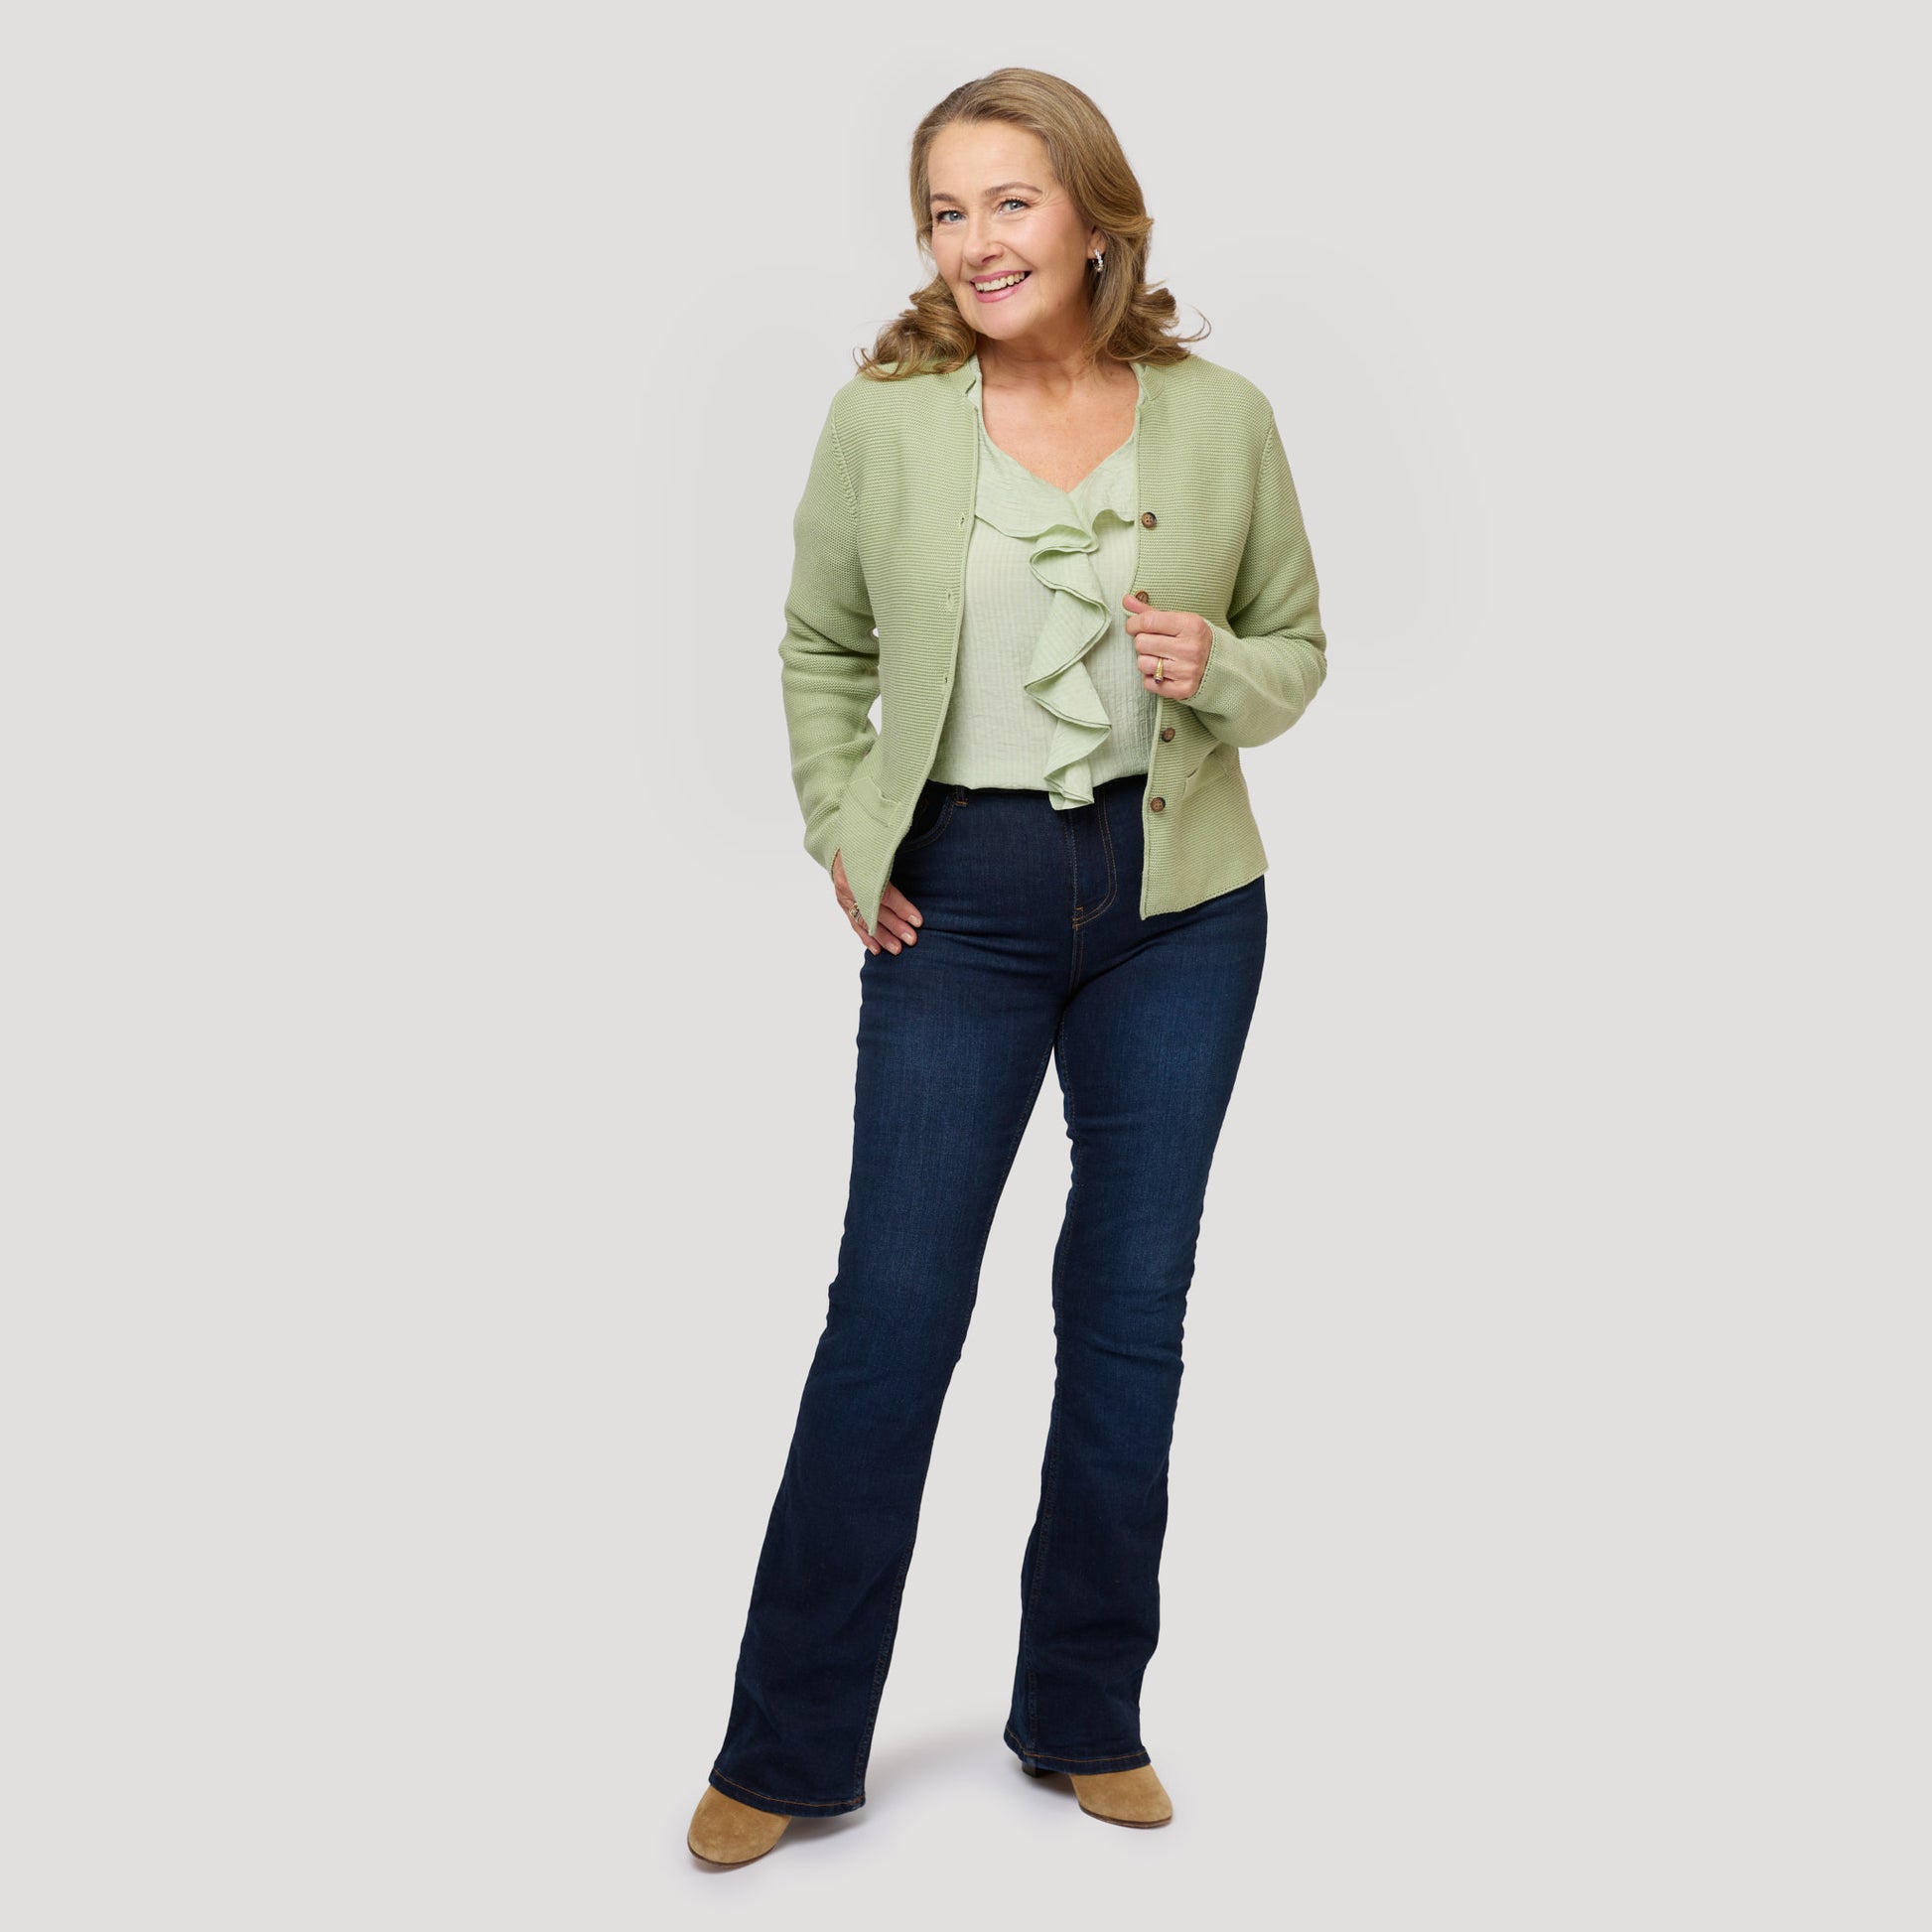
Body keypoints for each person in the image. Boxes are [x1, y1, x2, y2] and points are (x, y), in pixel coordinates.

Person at [687, 66, 1328, 1867]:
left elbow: (1294, 645)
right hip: (952, 902)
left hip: (1180, 904)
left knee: (1127, 1312)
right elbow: (820, 643)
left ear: (1096, 216)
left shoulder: (1221, 419)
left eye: (1008, 203)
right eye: (944, 212)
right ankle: (786, 1742)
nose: (973, 242)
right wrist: (843, 829)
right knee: (891, 1316)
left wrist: (1219, 668)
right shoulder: (883, 422)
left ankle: (1084, 1710)